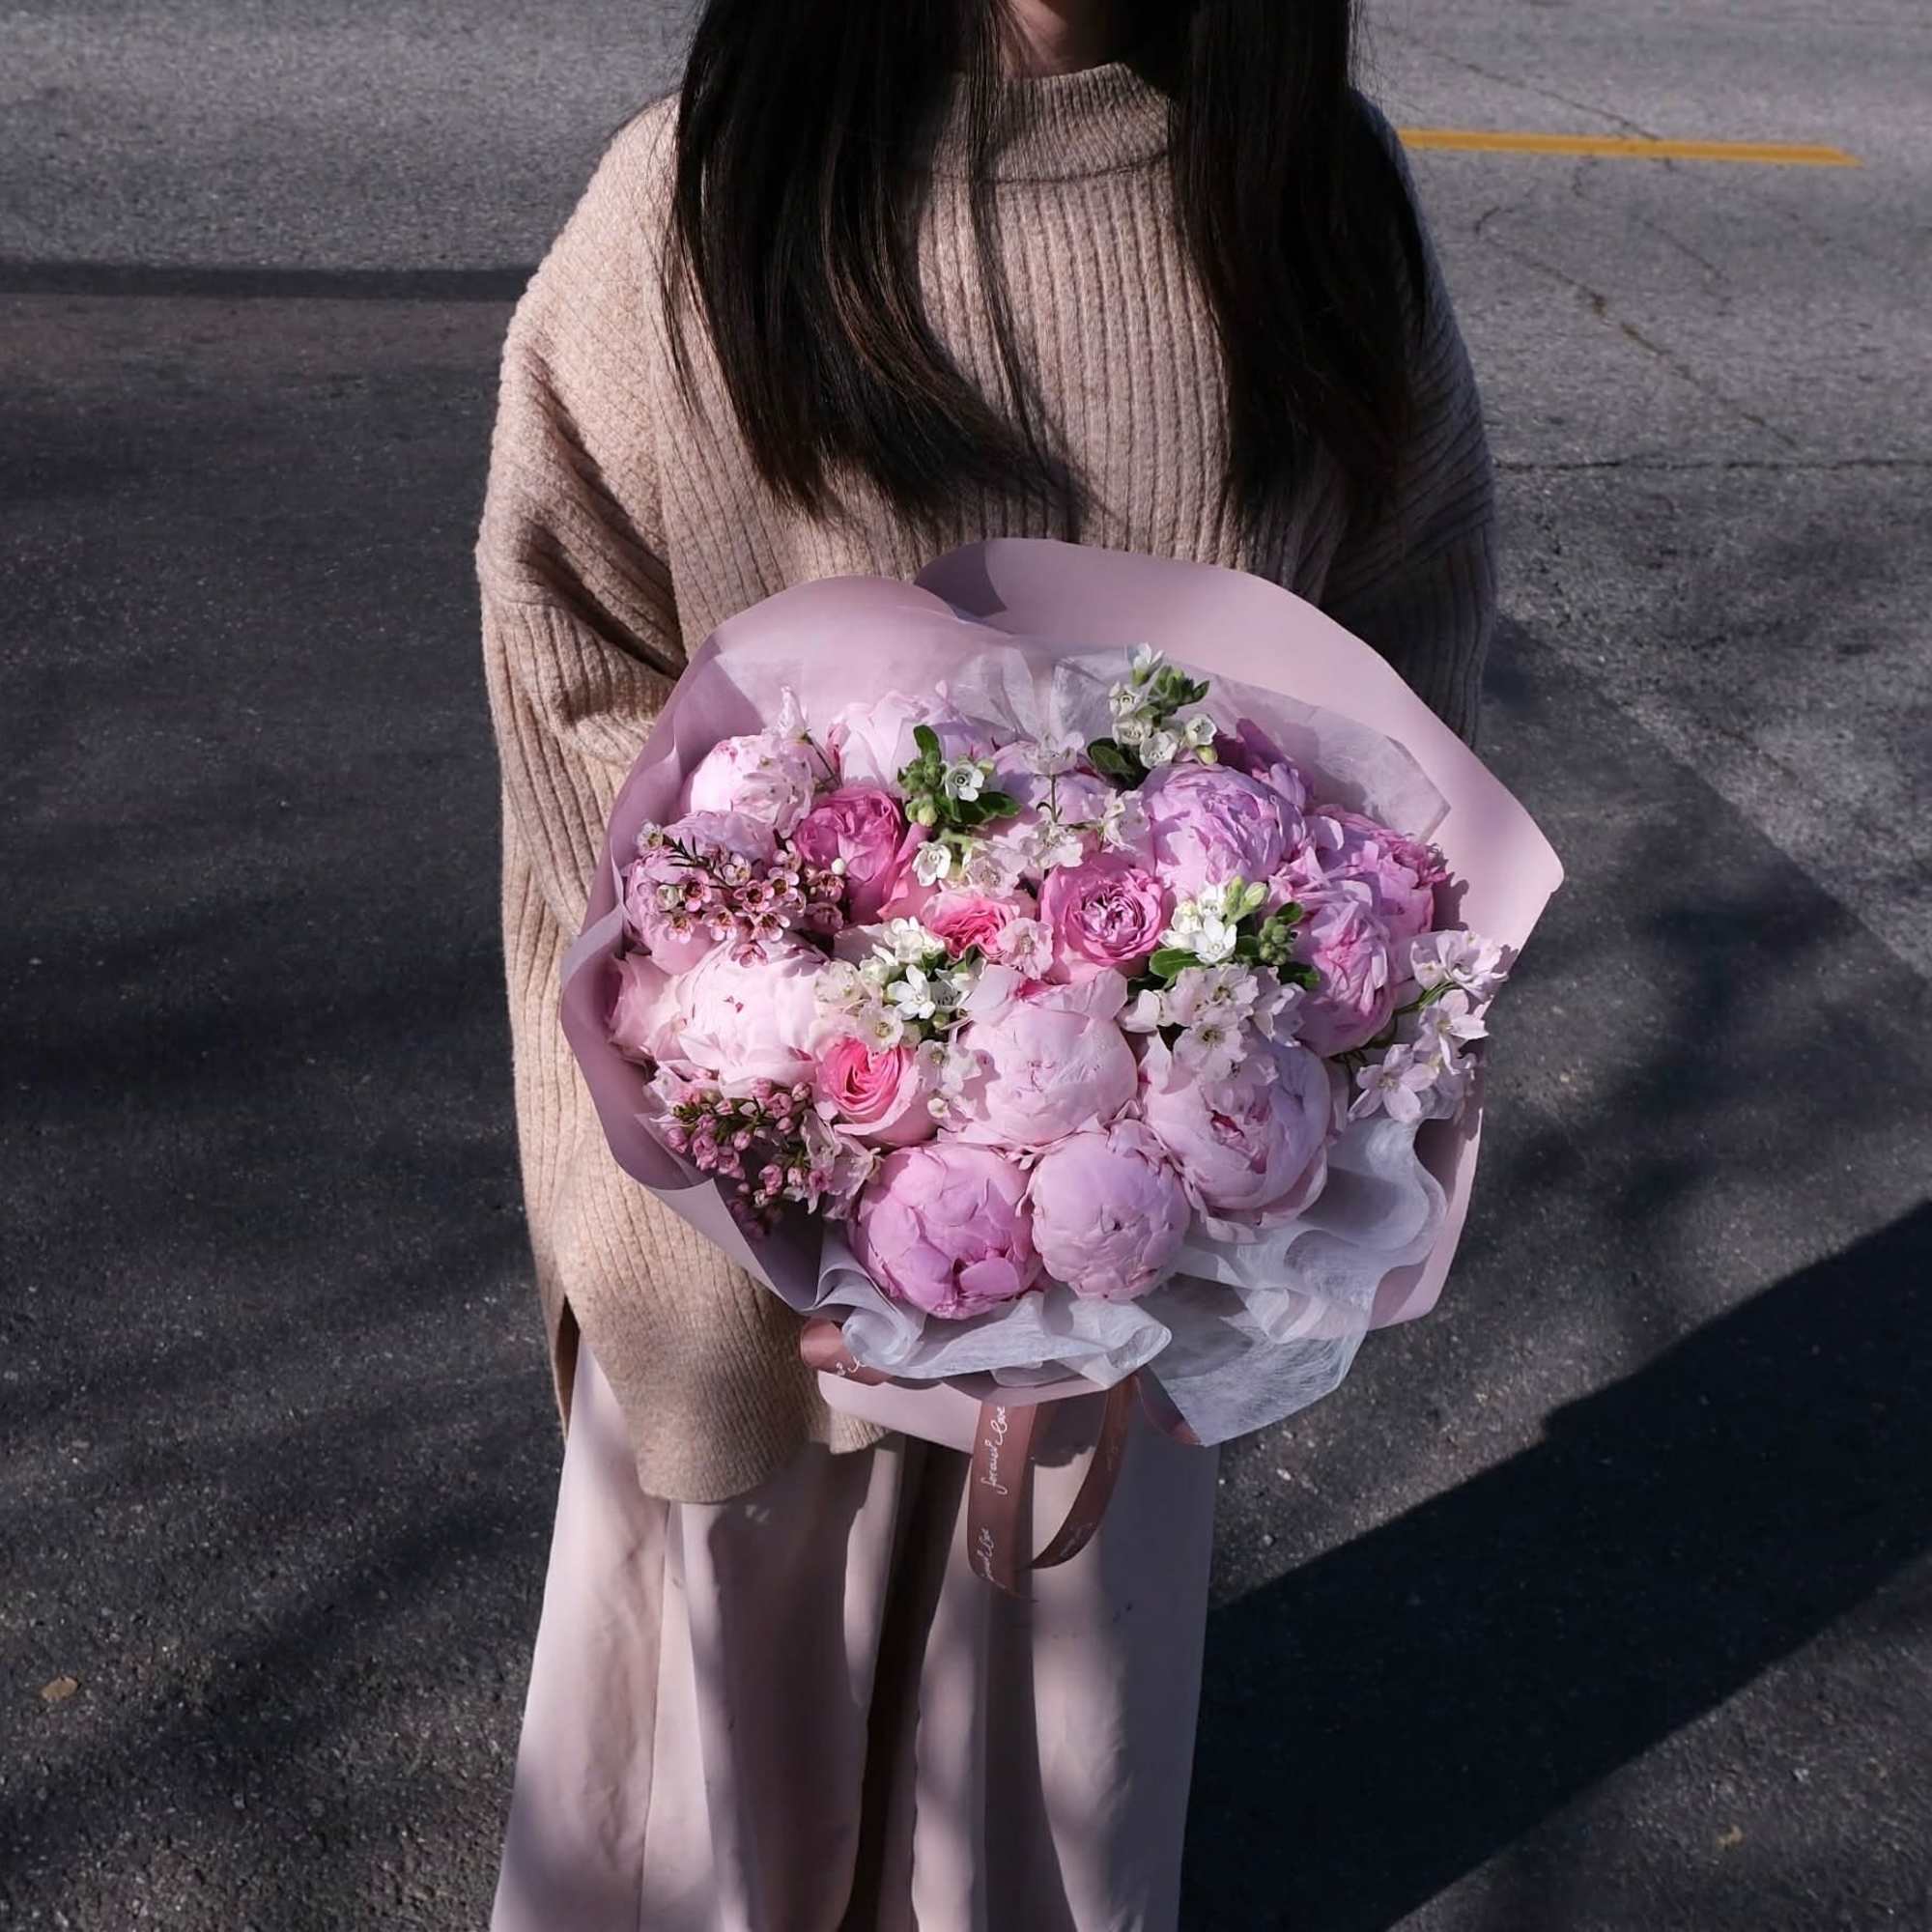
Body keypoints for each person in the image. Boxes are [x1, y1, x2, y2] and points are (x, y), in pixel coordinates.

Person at [477, 1, 1495, 1925]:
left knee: (1032, 1807)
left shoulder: (1306, 202)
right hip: (753, 1226)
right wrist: (781, 1043)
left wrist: (1287, 1025)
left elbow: (1408, 645)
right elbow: (568, 653)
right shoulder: (706, 198)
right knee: (716, 1817)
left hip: (1140, 1255)